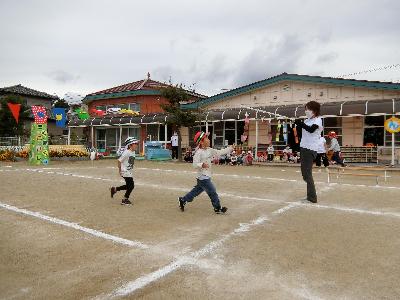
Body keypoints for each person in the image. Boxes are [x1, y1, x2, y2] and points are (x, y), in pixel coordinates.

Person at [178, 131, 233, 214]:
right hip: (203, 177)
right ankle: (217, 208)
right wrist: (201, 164)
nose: (208, 140)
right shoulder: (198, 153)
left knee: (195, 192)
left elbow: (219, 152)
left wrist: (230, 148)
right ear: (201, 142)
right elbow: (194, 164)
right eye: (206, 138)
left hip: (204, 177)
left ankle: (183, 199)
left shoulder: (209, 150)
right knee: (212, 192)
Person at [295, 101, 322, 203]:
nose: (306, 111)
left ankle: (312, 198)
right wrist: (297, 123)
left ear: (314, 110)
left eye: (308, 109)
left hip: (310, 148)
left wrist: (301, 124)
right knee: (304, 174)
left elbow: (311, 130)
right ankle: (309, 196)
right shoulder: (306, 121)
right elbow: (303, 130)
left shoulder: (318, 120)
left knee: (307, 173)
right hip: (304, 147)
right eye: (305, 109)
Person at [110, 137, 138, 205]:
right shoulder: (127, 152)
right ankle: (125, 199)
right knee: (131, 186)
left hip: (128, 171)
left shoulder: (133, 152)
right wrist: (120, 170)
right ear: (130, 145)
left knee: (129, 186)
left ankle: (115, 189)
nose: (136, 145)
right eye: (135, 143)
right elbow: (119, 161)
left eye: (137, 143)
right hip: (125, 171)